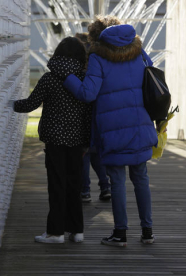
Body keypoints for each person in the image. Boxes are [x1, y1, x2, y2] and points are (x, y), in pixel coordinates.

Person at [63, 16, 158, 247]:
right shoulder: (140, 52)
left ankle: (120, 233)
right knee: (141, 178)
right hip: (141, 125)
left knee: (117, 181)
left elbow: (88, 93)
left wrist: (68, 78)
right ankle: (147, 232)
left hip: (113, 130)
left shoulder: (98, 57)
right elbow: (152, 77)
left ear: (97, 36)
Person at [12, 37, 92, 243]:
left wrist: (9, 104)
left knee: (57, 185)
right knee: (74, 184)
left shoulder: (49, 78)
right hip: (77, 141)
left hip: (55, 140)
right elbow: (89, 112)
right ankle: (77, 231)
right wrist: (88, 141)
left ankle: (55, 232)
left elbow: (30, 104)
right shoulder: (84, 79)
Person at [75, 32, 112, 202]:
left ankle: (85, 191)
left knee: (84, 157)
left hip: (82, 120)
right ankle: (105, 187)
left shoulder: (78, 71)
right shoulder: (98, 64)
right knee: (97, 157)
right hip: (97, 119)